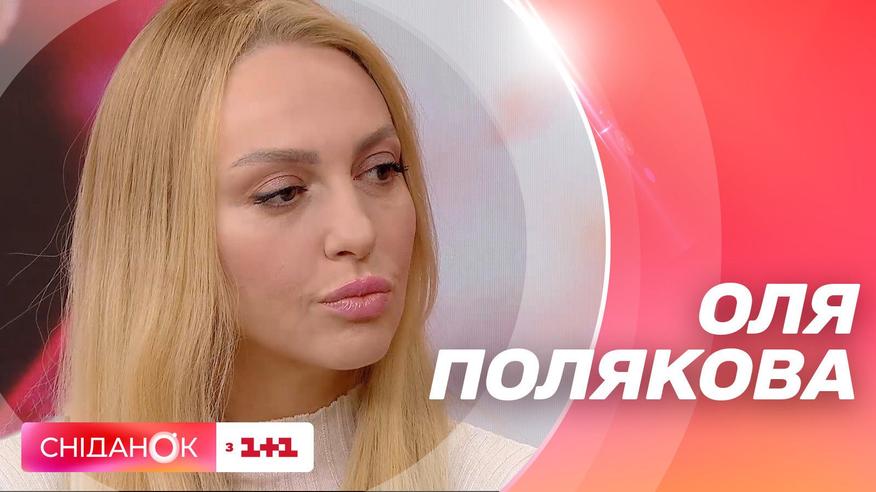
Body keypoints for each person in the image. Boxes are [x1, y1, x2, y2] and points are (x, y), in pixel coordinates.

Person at [0, 0, 536, 490]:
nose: (357, 232)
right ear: (159, 230)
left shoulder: (517, 477)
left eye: (381, 170)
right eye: (283, 192)